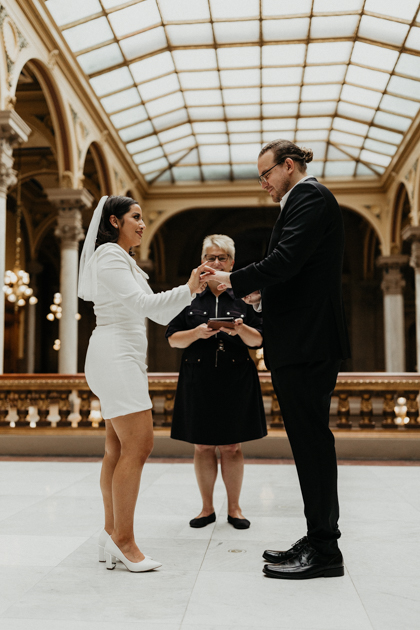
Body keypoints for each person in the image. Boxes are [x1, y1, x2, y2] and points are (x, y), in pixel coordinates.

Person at [205, 140, 351, 580]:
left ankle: (325, 550)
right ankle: (319, 536)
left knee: (312, 445)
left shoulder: (308, 196)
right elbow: (299, 271)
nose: (263, 183)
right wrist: (263, 294)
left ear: (289, 166)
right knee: (309, 445)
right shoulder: (304, 202)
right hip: (302, 341)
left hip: (308, 345)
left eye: (266, 174)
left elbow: (286, 259)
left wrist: (232, 279)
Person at [78, 195, 211, 573]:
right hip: (115, 355)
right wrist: (187, 288)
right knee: (140, 443)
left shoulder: (124, 261)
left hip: (121, 355)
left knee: (117, 448)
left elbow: (156, 311)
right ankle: (124, 540)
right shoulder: (109, 256)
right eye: (136, 216)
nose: (142, 223)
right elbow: (142, 304)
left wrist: (192, 290)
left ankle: (109, 534)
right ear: (115, 220)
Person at [166, 235, 267, 530]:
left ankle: (234, 508)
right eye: (210, 257)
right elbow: (172, 339)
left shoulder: (244, 297)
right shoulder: (188, 298)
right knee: (202, 447)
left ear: (232, 263)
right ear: (202, 262)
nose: (215, 263)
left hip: (236, 379)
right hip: (198, 379)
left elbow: (259, 340)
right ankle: (206, 508)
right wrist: (196, 333)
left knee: (232, 447)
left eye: (222, 258)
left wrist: (240, 329)